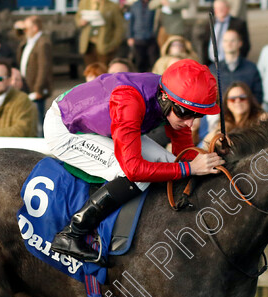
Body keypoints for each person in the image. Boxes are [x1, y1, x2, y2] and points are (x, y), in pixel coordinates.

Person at [42, 59, 225, 262]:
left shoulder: (171, 97)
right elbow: (134, 170)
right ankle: (72, 233)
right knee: (136, 177)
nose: (190, 122)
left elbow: (183, 154)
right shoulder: (129, 101)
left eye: (197, 114)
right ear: (164, 97)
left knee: (169, 160)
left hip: (105, 123)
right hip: (66, 128)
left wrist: (208, 161)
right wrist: (189, 168)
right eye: (184, 112)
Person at [16, 15, 52, 125]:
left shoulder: (42, 43)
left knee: (38, 119)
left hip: (36, 87)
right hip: (26, 85)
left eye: (26, 28)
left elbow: (44, 67)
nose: (24, 31)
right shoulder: (30, 40)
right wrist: (18, 27)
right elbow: (18, 36)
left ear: (35, 28)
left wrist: (38, 89)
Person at [194, 0, 250, 66]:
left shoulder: (239, 24)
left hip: (230, 63)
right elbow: (203, 43)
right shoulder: (208, 23)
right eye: (217, 8)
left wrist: (236, 61)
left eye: (222, 8)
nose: (220, 10)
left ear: (228, 8)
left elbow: (245, 45)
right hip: (210, 63)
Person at [217, 29, 262, 104]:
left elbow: (258, 95)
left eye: (232, 41)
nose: (229, 44)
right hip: (221, 114)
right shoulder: (214, 69)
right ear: (222, 44)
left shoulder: (251, 68)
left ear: (240, 43)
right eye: (225, 41)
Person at [76, 0, 125, 67]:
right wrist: (80, 21)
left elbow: (120, 27)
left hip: (105, 43)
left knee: (103, 70)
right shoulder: (84, 3)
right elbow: (78, 17)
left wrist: (113, 44)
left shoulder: (113, 6)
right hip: (88, 44)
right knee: (90, 70)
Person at [127, 0, 158, 73]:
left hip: (151, 37)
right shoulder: (135, 5)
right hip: (138, 37)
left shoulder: (154, 4)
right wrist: (130, 36)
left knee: (152, 61)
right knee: (139, 61)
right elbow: (131, 21)